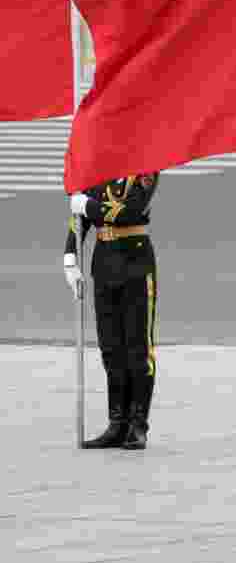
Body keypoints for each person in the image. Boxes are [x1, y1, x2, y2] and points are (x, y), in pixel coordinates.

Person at [63, 173, 160, 450]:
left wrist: (88, 206)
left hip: (136, 265)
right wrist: (70, 256)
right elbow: (78, 218)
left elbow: (130, 211)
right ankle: (117, 423)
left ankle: (137, 425)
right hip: (104, 265)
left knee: (138, 349)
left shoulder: (145, 168)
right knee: (111, 348)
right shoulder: (98, 168)